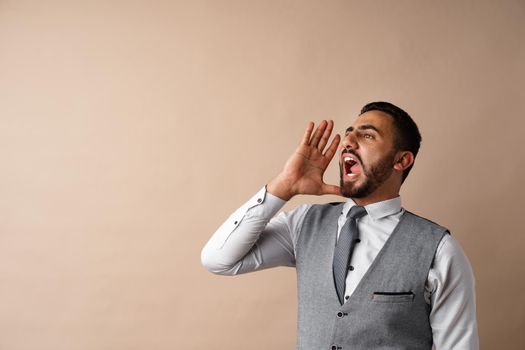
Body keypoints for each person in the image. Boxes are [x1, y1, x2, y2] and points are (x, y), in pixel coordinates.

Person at [201, 101, 479, 349]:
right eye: (349, 133)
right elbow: (219, 260)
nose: (349, 141)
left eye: (367, 135)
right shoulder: (303, 223)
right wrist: (283, 187)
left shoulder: (439, 250)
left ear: (401, 160)